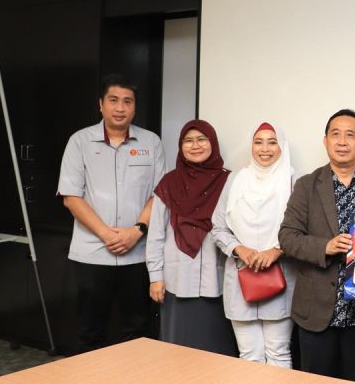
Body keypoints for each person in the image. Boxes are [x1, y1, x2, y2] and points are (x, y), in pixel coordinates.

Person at [278, 109, 355, 384]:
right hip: (316, 312)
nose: (342, 141)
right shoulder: (306, 185)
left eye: (350, 135)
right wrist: (325, 247)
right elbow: (287, 237)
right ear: (325, 141)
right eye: (335, 134)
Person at [57, 74, 166, 352]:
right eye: (113, 100)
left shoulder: (151, 142)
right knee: (90, 331)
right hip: (92, 254)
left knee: (138, 331)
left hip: (138, 254)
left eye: (127, 101)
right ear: (101, 104)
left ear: (135, 107)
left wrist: (136, 232)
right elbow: (71, 197)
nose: (120, 108)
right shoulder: (80, 141)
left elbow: (159, 195)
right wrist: (107, 235)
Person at [146, 119, 237, 355]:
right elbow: (156, 234)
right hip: (176, 281)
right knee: (177, 351)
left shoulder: (230, 181)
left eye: (201, 139)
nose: (195, 146)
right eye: (188, 141)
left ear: (212, 143)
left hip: (217, 283)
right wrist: (155, 277)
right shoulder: (169, 183)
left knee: (216, 352)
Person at [212, 122, 296, 367]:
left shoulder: (293, 181)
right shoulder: (235, 180)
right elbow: (218, 228)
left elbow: (303, 229)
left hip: (280, 278)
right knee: (249, 356)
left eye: (272, 142)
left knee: (278, 353)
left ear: (282, 147)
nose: (264, 149)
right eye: (258, 142)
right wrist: (241, 249)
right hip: (241, 277)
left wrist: (276, 250)